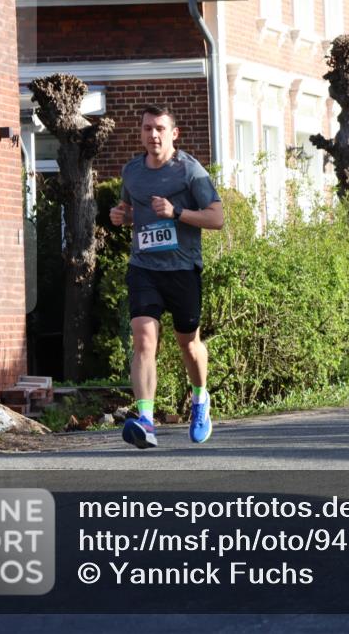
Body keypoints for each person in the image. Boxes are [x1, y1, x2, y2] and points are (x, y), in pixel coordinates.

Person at [110, 105, 225, 449]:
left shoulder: (190, 171)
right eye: (147, 128)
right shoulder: (132, 172)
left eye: (160, 128)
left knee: (189, 344)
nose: (153, 135)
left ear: (174, 133)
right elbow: (134, 213)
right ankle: (146, 421)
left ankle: (200, 399)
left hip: (182, 269)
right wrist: (123, 216)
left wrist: (177, 212)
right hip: (144, 267)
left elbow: (216, 218)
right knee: (144, 340)